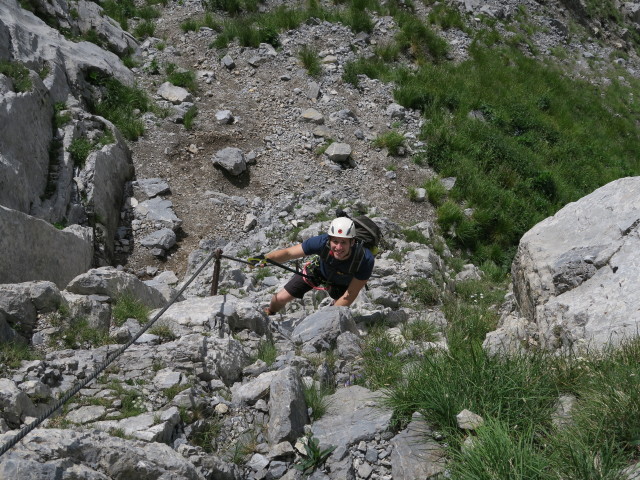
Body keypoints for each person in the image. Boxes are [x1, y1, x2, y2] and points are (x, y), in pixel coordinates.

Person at [252, 217, 375, 315]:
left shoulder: (364, 259)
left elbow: (350, 295)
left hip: (343, 284)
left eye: (343, 242)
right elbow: (289, 253)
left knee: (335, 311)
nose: (338, 247)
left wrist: (325, 318)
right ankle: (270, 312)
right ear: (329, 239)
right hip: (318, 271)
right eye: (335, 241)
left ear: (352, 242)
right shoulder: (321, 242)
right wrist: (266, 259)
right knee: (279, 299)